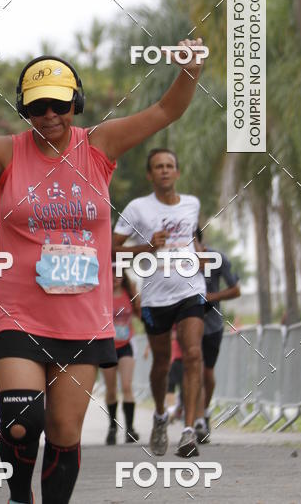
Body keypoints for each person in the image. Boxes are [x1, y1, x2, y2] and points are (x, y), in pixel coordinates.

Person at [0, 43, 204, 504]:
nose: (49, 115)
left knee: (64, 431)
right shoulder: (6, 154)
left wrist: (190, 71)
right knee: (24, 422)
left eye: (59, 104)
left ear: (74, 104)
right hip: (20, 313)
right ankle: (19, 497)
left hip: (83, 319)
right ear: (25, 108)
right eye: (38, 105)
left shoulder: (99, 146)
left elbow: (166, 109)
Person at [113, 148, 206, 459]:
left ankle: (189, 430)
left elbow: (194, 237)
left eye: (170, 165)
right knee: (162, 364)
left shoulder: (192, 204)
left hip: (191, 290)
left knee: (193, 353)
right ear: (150, 175)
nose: (165, 171)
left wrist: (200, 255)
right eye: (158, 167)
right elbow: (113, 250)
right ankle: (160, 418)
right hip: (155, 298)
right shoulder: (138, 208)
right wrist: (147, 246)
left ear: (177, 172)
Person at [193, 226, 240, 443]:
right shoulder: (177, 263)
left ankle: (204, 411)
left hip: (212, 326)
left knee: (207, 373)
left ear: (198, 241)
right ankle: (198, 419)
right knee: (194, 369)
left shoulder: (217, 259)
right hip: (188, 326)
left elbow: (236, 290)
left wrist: (212, 296)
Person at [102, 266, 140, 445]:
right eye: (112, 272)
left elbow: (140, 314)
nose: (116, 277)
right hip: (108, 346)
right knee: (111, 390)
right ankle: (112, 427)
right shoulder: (101, 293)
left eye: (119, 273)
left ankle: (130, 429)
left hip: (126, 346)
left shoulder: (129, 292)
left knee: (126, 386)